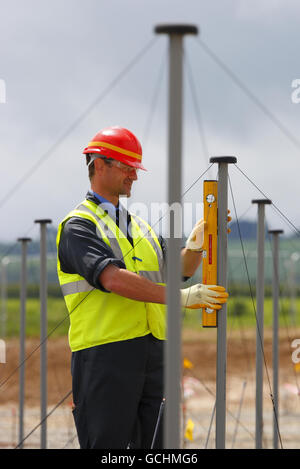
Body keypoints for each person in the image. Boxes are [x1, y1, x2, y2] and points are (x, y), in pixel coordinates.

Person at [56, 126, 228, 449]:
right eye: (127, 166)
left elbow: (177, 272)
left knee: (160, 448)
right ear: (99, 164)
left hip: (154, 355)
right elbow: (113, 279)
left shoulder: (141, 227)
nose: (134, 176)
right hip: (104, 357)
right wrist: (179, 299)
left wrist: (195, 246)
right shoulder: (78, 226)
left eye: (136, 169)